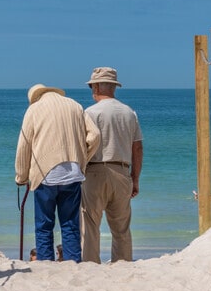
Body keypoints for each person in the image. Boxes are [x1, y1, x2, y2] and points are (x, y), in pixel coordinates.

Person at [15, 84, 101, 262]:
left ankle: (46, 263)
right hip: (73, 173)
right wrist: (82, 157)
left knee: (44, 225)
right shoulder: (75, 106)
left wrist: (21, 176)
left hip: (44, 175)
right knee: (70, 224)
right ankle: (73, 262)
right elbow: (95, 135)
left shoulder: (34, 109)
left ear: (35, 97)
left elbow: (24, 146)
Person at [81, 67, 143, 263]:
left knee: (90, 224)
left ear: (98, 86)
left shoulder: (89, 112)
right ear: (114, 87)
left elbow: (83, 145)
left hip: (95, 170)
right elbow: (138, 148)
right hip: (122, 171)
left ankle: (90, 263)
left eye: (92, 86)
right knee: (121, 227)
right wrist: (135, 178)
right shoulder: (129, 113)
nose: (92, 89)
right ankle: (122, 263)